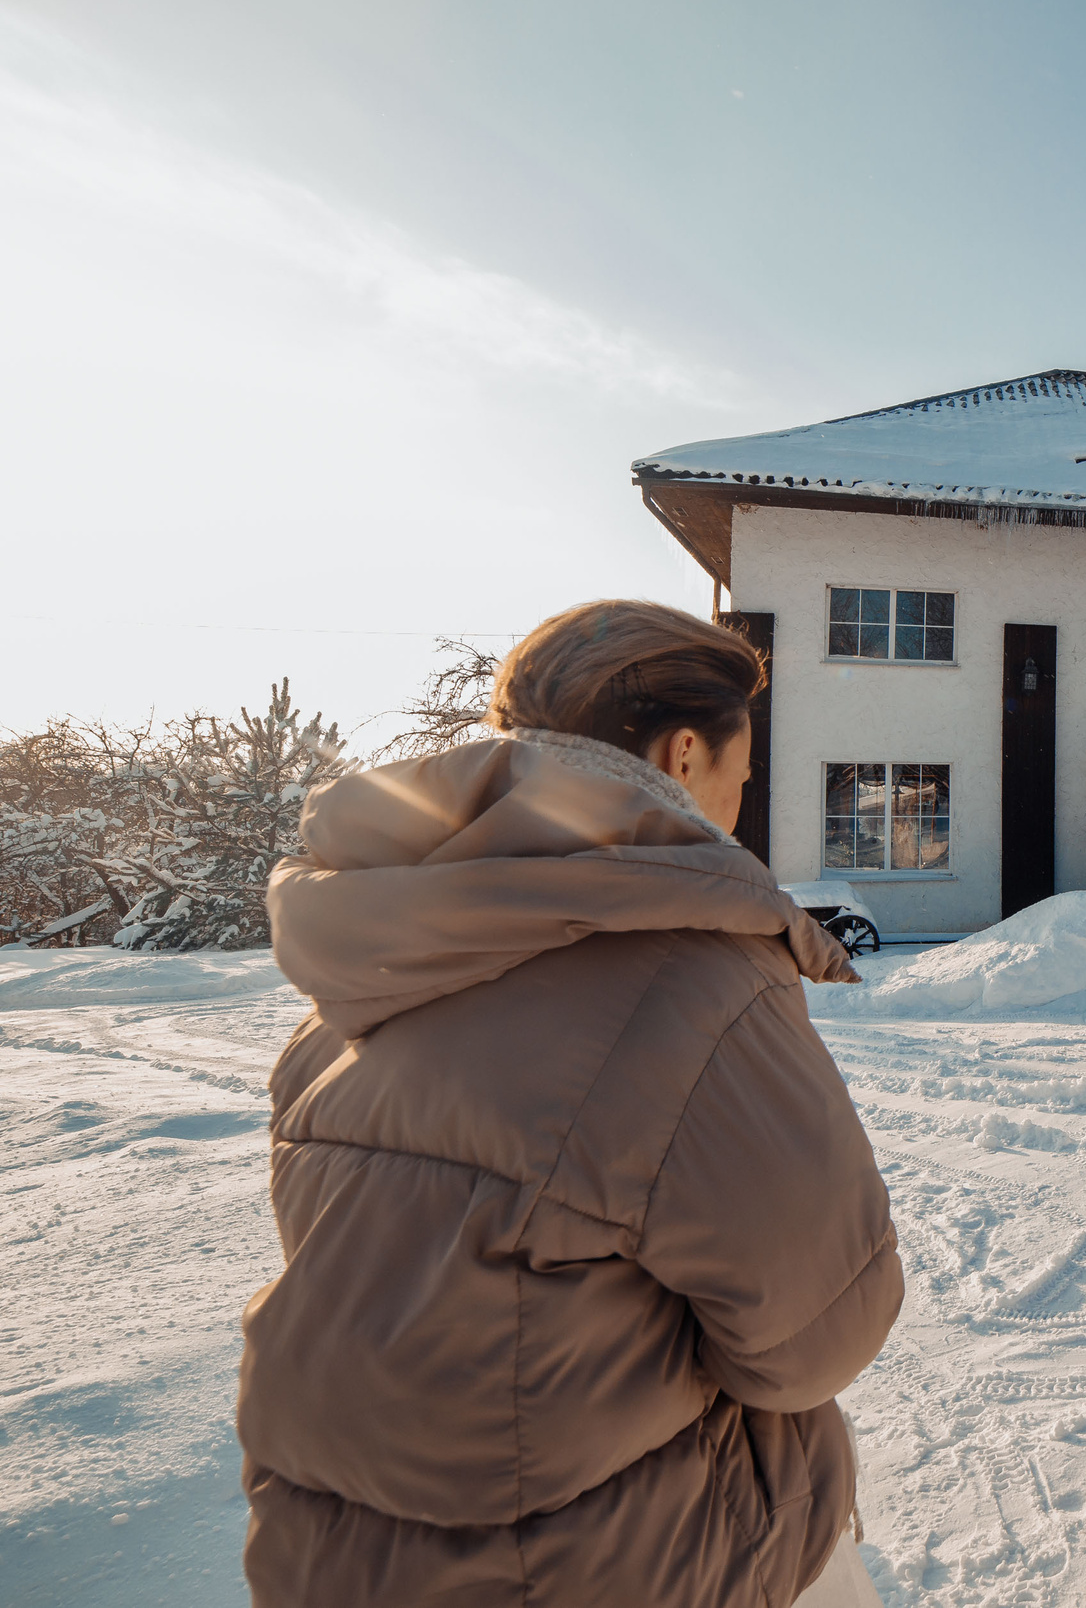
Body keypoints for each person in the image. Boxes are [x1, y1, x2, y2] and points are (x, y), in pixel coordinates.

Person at [238, 600, 904, 1606]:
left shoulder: (366, 971)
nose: (738, 801)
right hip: (609, 1565)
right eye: (741, 774)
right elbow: (814, 1340)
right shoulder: (696, 982)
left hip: (327, 1558)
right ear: (686, 756)